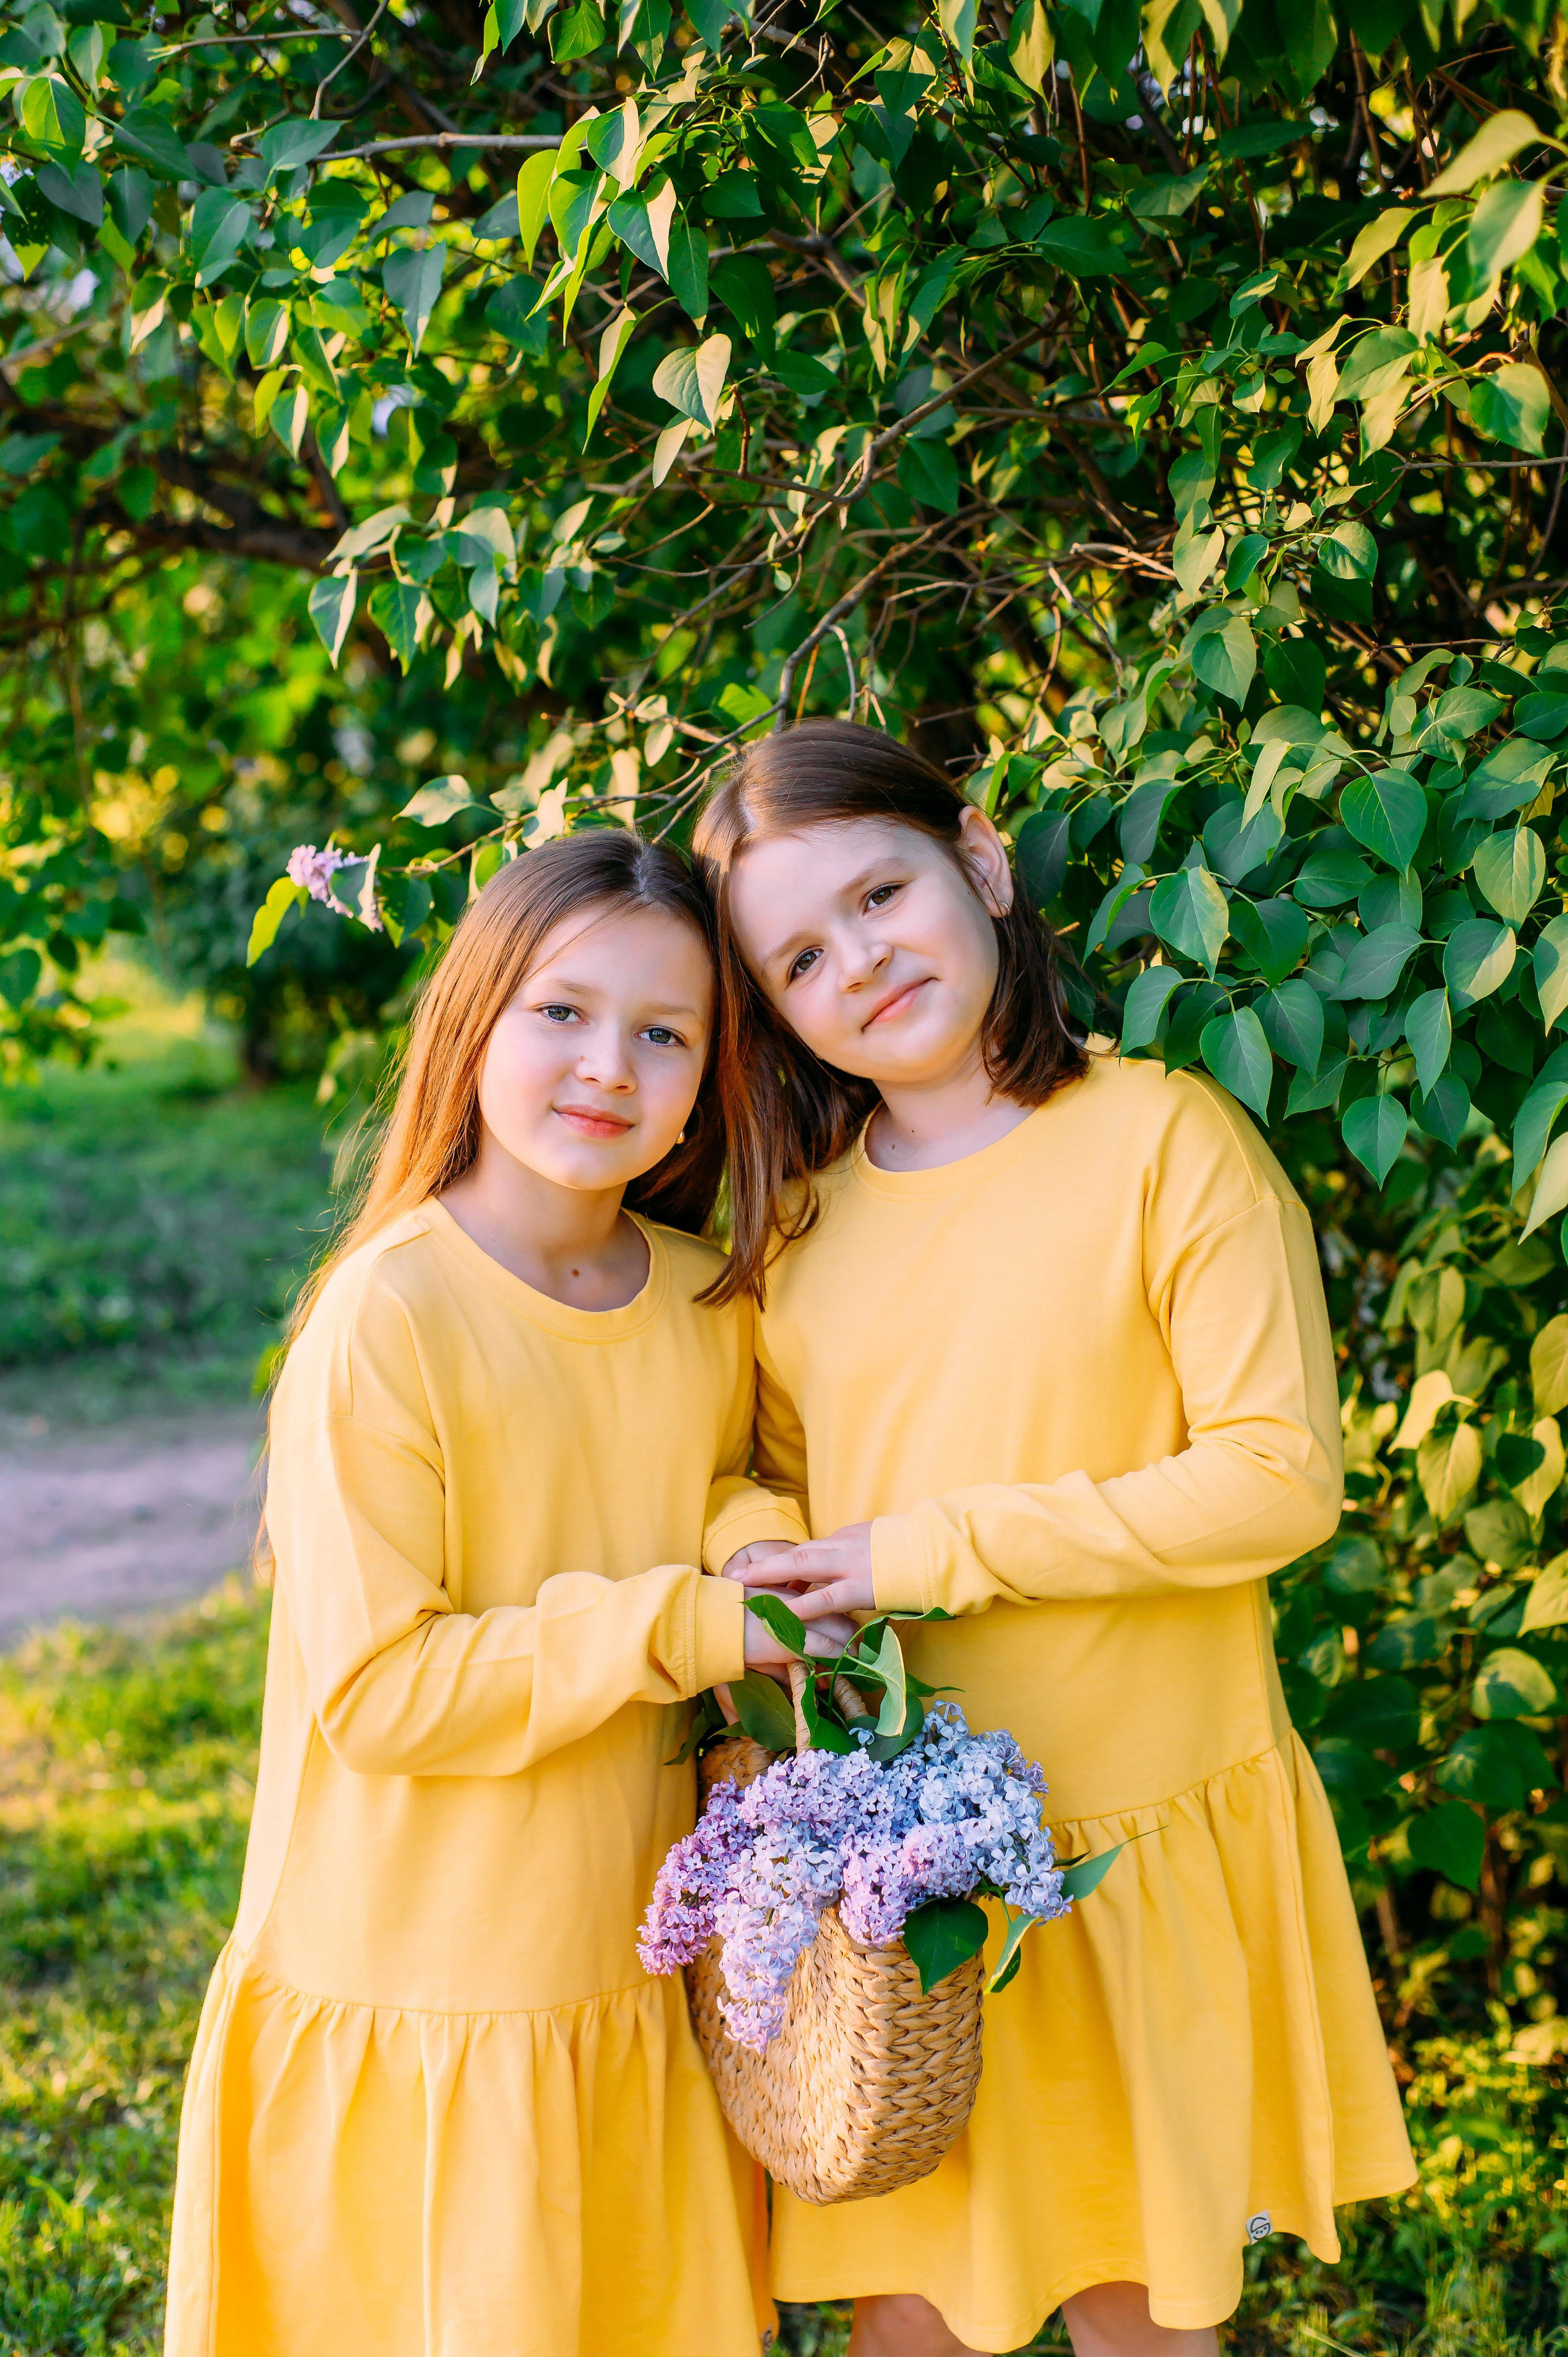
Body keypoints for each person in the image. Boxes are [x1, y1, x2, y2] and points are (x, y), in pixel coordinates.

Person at [692, 721, 1415, 2357]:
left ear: (980, 860)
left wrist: (926, 1551)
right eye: (799, 958)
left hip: (1135, 1831)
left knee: (1134, 2301)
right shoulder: (803, 1223)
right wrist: (757, 1552)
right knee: (913, 2302)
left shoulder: (1162, 1140)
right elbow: (757, 1471)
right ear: (774, 1011)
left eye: (881, 895)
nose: (859, 961)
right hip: (910, 1870)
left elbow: (1276, 1479)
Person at [164, 833, 846, 2357]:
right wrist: (688, 1622)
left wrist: (752, 1543)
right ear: (475, 1018)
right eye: (561, 1012)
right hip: (426, 1978)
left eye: (663, 1034)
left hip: (618, 1966)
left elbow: (707, 1474)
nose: (608, 1065)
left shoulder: (699, 1299)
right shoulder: (388, 1318)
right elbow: (382, 1692)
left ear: (708, 1077)